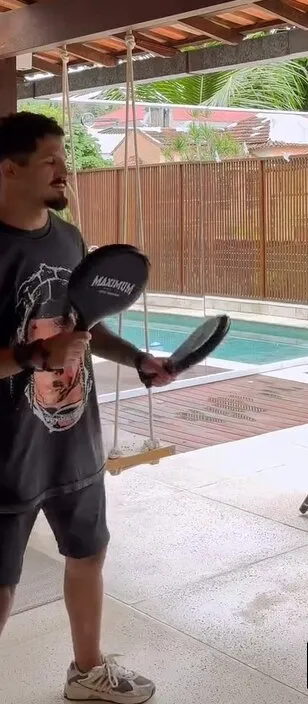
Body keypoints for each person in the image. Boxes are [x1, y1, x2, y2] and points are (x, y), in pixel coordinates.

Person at [0, 111, 177, 703]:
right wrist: (34, 356)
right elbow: (43, 348)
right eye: (50, 160)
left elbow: (83, 326)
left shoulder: (68, 239)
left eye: (63, 158)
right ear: (9, 169)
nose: (64, 170)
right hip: (7, 451)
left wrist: (137, 358)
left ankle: (86, 672)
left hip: (73, 437)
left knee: (89, 553)